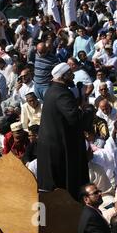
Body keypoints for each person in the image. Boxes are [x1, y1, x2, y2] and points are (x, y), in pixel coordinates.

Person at [37, 62, 89, 200]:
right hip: (59, 148)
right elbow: (75, 118)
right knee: (62, 189)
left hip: (53, 146)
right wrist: (87, 110)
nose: (73, 77)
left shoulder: (52, 90)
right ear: (64, 76)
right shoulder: (61, 93)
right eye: (71, 75)